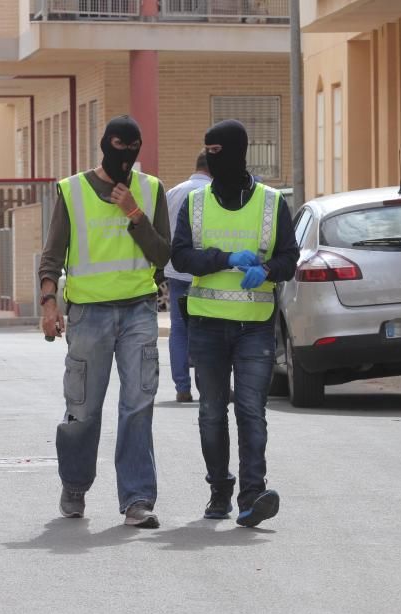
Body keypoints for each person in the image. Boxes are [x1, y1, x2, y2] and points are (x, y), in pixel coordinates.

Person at [38, 115, 170, 528]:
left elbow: (162, 255)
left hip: (138, 311)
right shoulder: (72, 190)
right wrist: (48, 304)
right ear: (104, 145)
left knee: (137, 405)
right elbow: (52, 255)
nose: (126, 155)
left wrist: (134, 214)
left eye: (134, 147)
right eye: (119, 145)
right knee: (83, 408)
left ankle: (136, 499)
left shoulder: (149, 191)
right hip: (88, 315)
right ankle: (74, 485)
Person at [171, 120, 299, 528]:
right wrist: (225, 258)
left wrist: (268, 271)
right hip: (207, 324)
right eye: (208, 150)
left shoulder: (271, 203)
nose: (212, 157)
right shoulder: (195, 203)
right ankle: (219, 490)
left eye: (219, 150)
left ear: (239, 152)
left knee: (250, 411)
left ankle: (251, 495)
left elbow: (289, 259)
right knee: (211, 412)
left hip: (254, 326)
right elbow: (180, 258)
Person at [163, 150, 211, 403]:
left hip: (176, 271)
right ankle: (208, 386)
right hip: (206, 271)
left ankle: (182, 387)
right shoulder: (214, 193)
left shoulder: (173, 192)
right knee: (207, 329)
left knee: (179, 329)